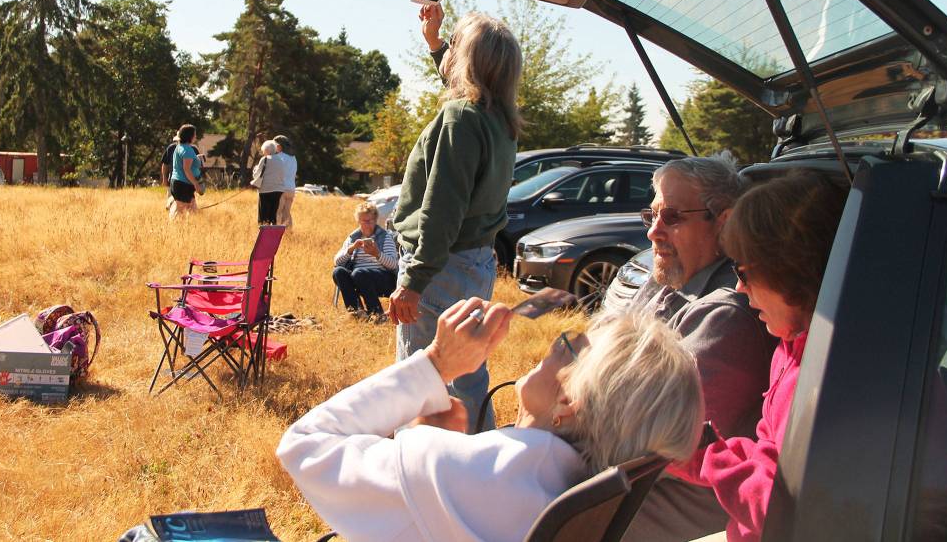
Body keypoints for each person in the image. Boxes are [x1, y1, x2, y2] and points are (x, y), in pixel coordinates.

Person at [277, 298, 704, 542]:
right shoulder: (569, 491)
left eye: (568, 344)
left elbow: (304, 445)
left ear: (569, 402)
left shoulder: (477, 478)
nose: (552, 345)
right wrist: (429, 449)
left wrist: (435, 364)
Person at [601, 153, 775, 541]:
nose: (653, 232)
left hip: (677, 495)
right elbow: (595, 357)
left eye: (673, 217)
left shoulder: (728, 315)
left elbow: (652, 442)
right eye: (652, 215)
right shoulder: (668, 279)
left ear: (725, 222)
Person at [668, 170, 847, 542]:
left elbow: (785, 514)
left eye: (744, 271)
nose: (737, 286)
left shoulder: (832, 379)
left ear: (791, 273)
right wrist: (695, 449)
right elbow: (767, 453)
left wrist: (706, 458)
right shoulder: (791, 349)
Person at [388, 3, 523, 433]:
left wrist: (414, 281)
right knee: (465, 373)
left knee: (423, 379)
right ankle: (480, 459)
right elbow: (463, 83)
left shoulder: (460, 119)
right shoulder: (498, 119)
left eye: (455, 46)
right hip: (474, 263)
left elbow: (442, 210)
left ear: (467, 62)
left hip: (440, 268)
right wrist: (434, 42)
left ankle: (424, 469)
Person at [332, 201, 398, 321]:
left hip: (384, 279)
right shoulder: (353, 237)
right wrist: (351, 249)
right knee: (339, 271)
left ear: (376, 220)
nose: (368, 224)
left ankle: (377, 314)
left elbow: (394, 265)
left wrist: (377, 254)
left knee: (359, 273)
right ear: (358, 221)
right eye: (364, 221)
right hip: (358, 276)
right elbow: (337, 261)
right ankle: (357, 313)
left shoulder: (385, 237)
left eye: (371, 220)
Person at [169, 124, 204, 219]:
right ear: (190, 136)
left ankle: (191, 231)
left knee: (193, 212)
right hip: (183, 185)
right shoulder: (187, 149)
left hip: (180, 183)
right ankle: (175, 232)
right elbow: (186, 169)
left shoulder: (179, 147)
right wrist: (196, 183)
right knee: (180, 214)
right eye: (194, 134)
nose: (195, 136)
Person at [251, 140, 284, 225]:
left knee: (264, 214)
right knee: (273, 214)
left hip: (266, 190)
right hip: (278, 190)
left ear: (267, 150)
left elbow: (256, 175)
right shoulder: (281, 160)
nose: (263, 152)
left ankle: (264, 231)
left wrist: (255, 169)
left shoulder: (265, 159)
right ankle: (273, 232)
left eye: (263, 150)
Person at [273, 134, 297, 229]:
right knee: (287, 213)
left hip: (281, 188)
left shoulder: (279, 157)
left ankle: (276, 235)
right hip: (291, 189)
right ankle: (289, 234)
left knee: (277, 213)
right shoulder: (293, 157)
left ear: (279, 146)